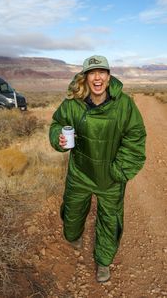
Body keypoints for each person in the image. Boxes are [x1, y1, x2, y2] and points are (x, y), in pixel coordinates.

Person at [49, 55, 146, 283]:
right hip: (80, 173)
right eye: (92, 73)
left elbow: (136, 136)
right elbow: (56, 124)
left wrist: (119, 171)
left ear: (109, 76)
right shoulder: (73, 103)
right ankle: (73, 237)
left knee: (109, 221)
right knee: (72, 214)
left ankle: (103, 262)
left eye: (102, 72)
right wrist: (58, 138)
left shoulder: (124, 105)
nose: (97, 77)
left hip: (110, 178)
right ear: (85, 78)